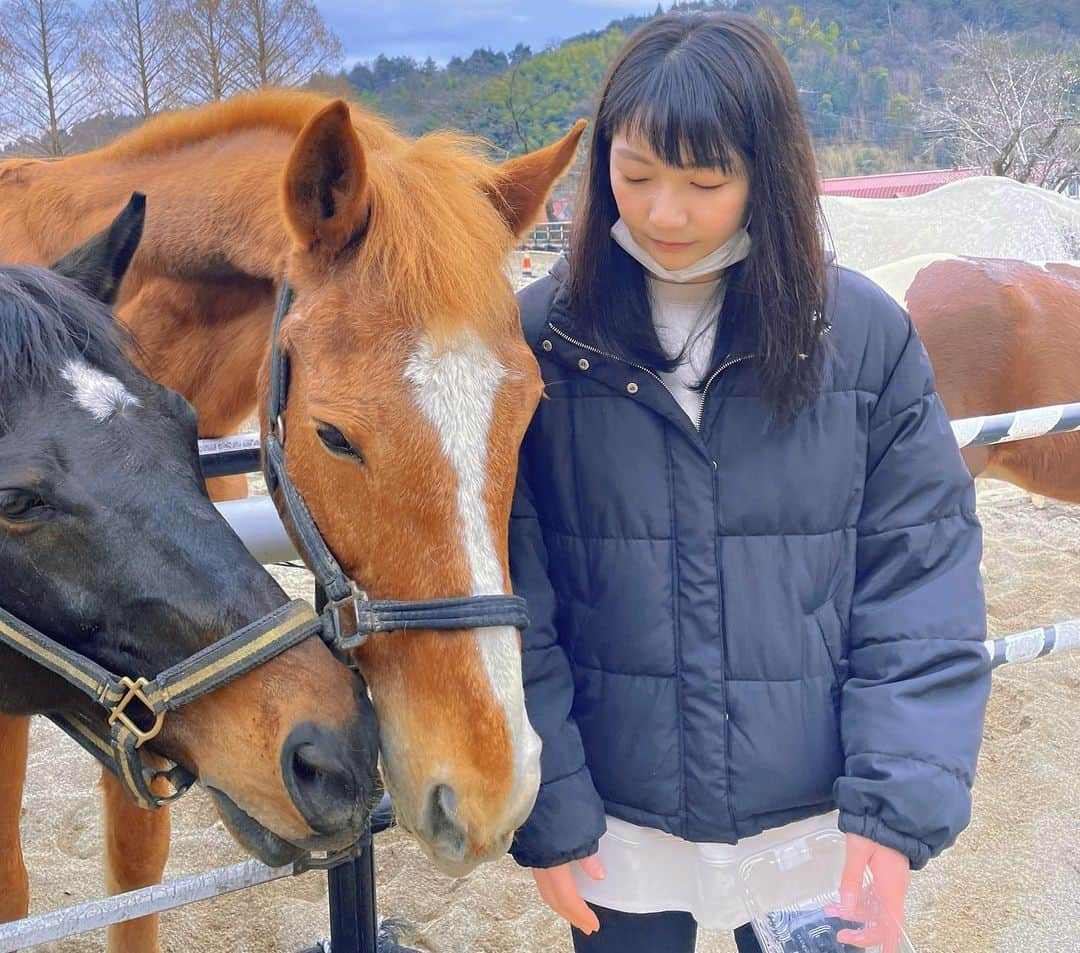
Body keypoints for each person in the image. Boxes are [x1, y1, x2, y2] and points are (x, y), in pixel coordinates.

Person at [507, 11, 991, 953]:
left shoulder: (860, 336)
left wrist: (894, 812)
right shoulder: (537, 344)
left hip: (815, 832)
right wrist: (549, 804)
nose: (663, 213)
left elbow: (920, 581)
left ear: (767, 172)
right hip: (620, 827)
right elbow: (516, 602)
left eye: (706, 180)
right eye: (636, 174)